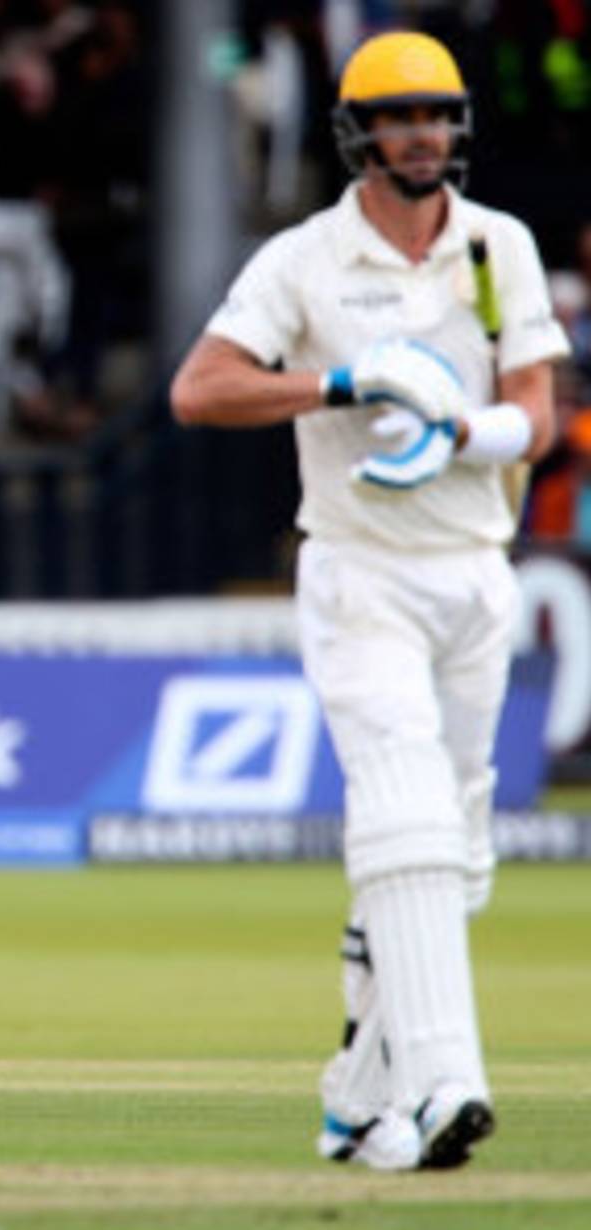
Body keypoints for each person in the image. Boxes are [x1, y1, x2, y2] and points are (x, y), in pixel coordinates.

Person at [170, 32, 568, 1172]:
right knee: (400, 814)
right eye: (401, 119)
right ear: (357, 133)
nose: (424, 136)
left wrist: (459, 427)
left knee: (457, 856)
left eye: (439, 116)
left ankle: (355, 1098)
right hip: (359, 574)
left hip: (473, 574)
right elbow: (198, 389)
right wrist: (342, 382)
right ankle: (446, 1085)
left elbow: (534, 416)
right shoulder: (304, 259)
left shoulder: (499, 248)